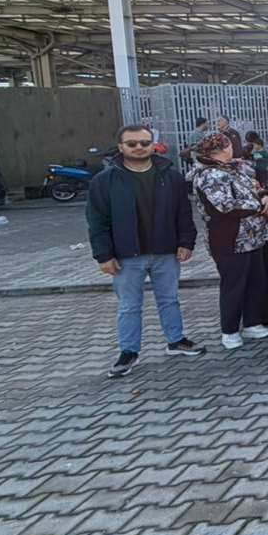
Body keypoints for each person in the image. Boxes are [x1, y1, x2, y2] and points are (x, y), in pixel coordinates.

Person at [88, 124, 202, 377]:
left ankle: (176, 340)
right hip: (126, 256)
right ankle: (129, 352)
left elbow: (183, 213)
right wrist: (103, 255)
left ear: (152, 145)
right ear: (121, 147)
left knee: (170, 300)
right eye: (132, 143)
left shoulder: (170, 176)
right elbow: (97, 221)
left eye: (144, 142)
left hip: (166, 252)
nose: (139, 147)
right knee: (129, 306)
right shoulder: (104, 181)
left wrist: (186, 242)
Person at [189, 132, 268, 350]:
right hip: (229, 240)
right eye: (229, 145)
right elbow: (225, 206)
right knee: (234, 285)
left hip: (253, 237)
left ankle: (252, 322)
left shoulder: (238, 168)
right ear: (224, 148)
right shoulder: (208, 175)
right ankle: (229, 331)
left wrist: (265, 196)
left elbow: (258, 186)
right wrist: (259, 206)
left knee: (256, 280)